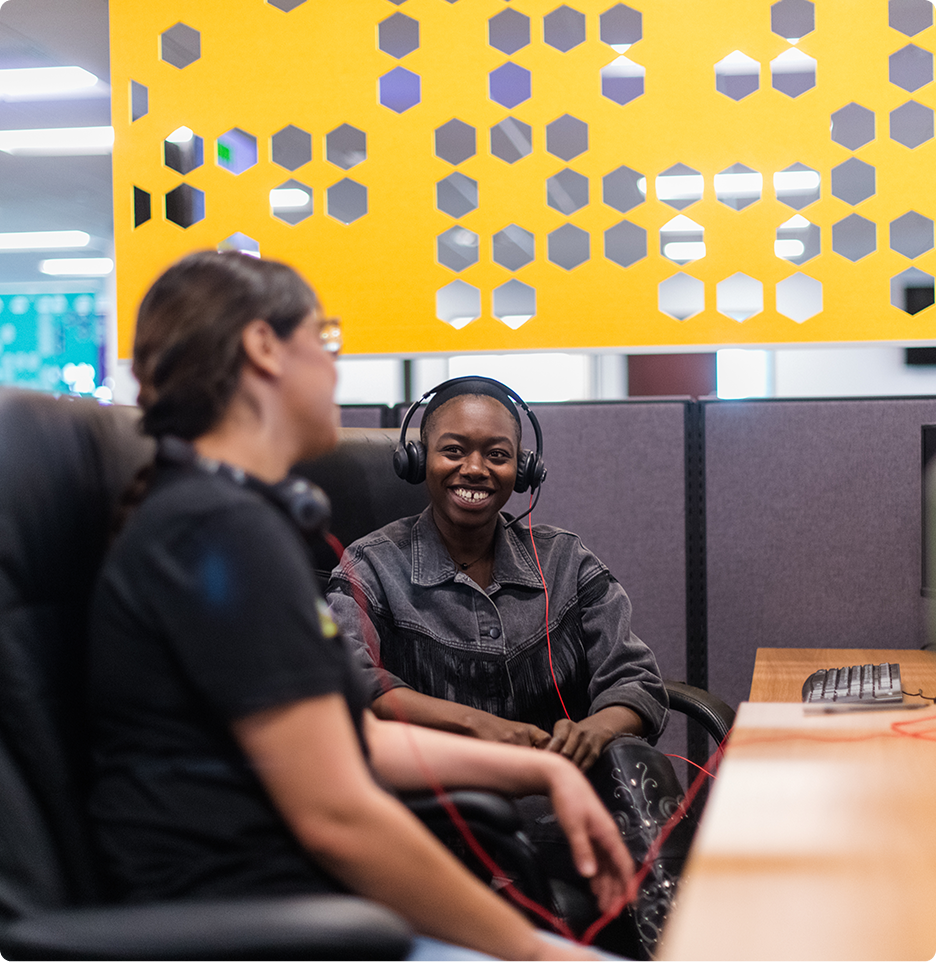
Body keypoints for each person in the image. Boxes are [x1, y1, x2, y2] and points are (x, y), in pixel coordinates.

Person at [86, 250, 638, 962]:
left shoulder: (226, 517)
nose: (335, 367)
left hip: (288, 899)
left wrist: (545, 769)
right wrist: (534, 953)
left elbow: (349, 741)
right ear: (263, 348)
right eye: (326, 339)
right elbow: (337, 815)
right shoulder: (219, 535)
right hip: (248, 914)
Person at [325, 378, 694, 956]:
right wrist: (478, 727)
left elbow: (634, 679)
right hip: (442, 807)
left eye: (497, 455)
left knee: (629, 757)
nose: (475, 468)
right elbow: (357, 687)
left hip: (562, 800)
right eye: (453, 450)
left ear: (522, 471)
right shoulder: (372, 565)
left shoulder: (564, 561)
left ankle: (677, 944)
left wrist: (594, 731)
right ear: (418, 459)